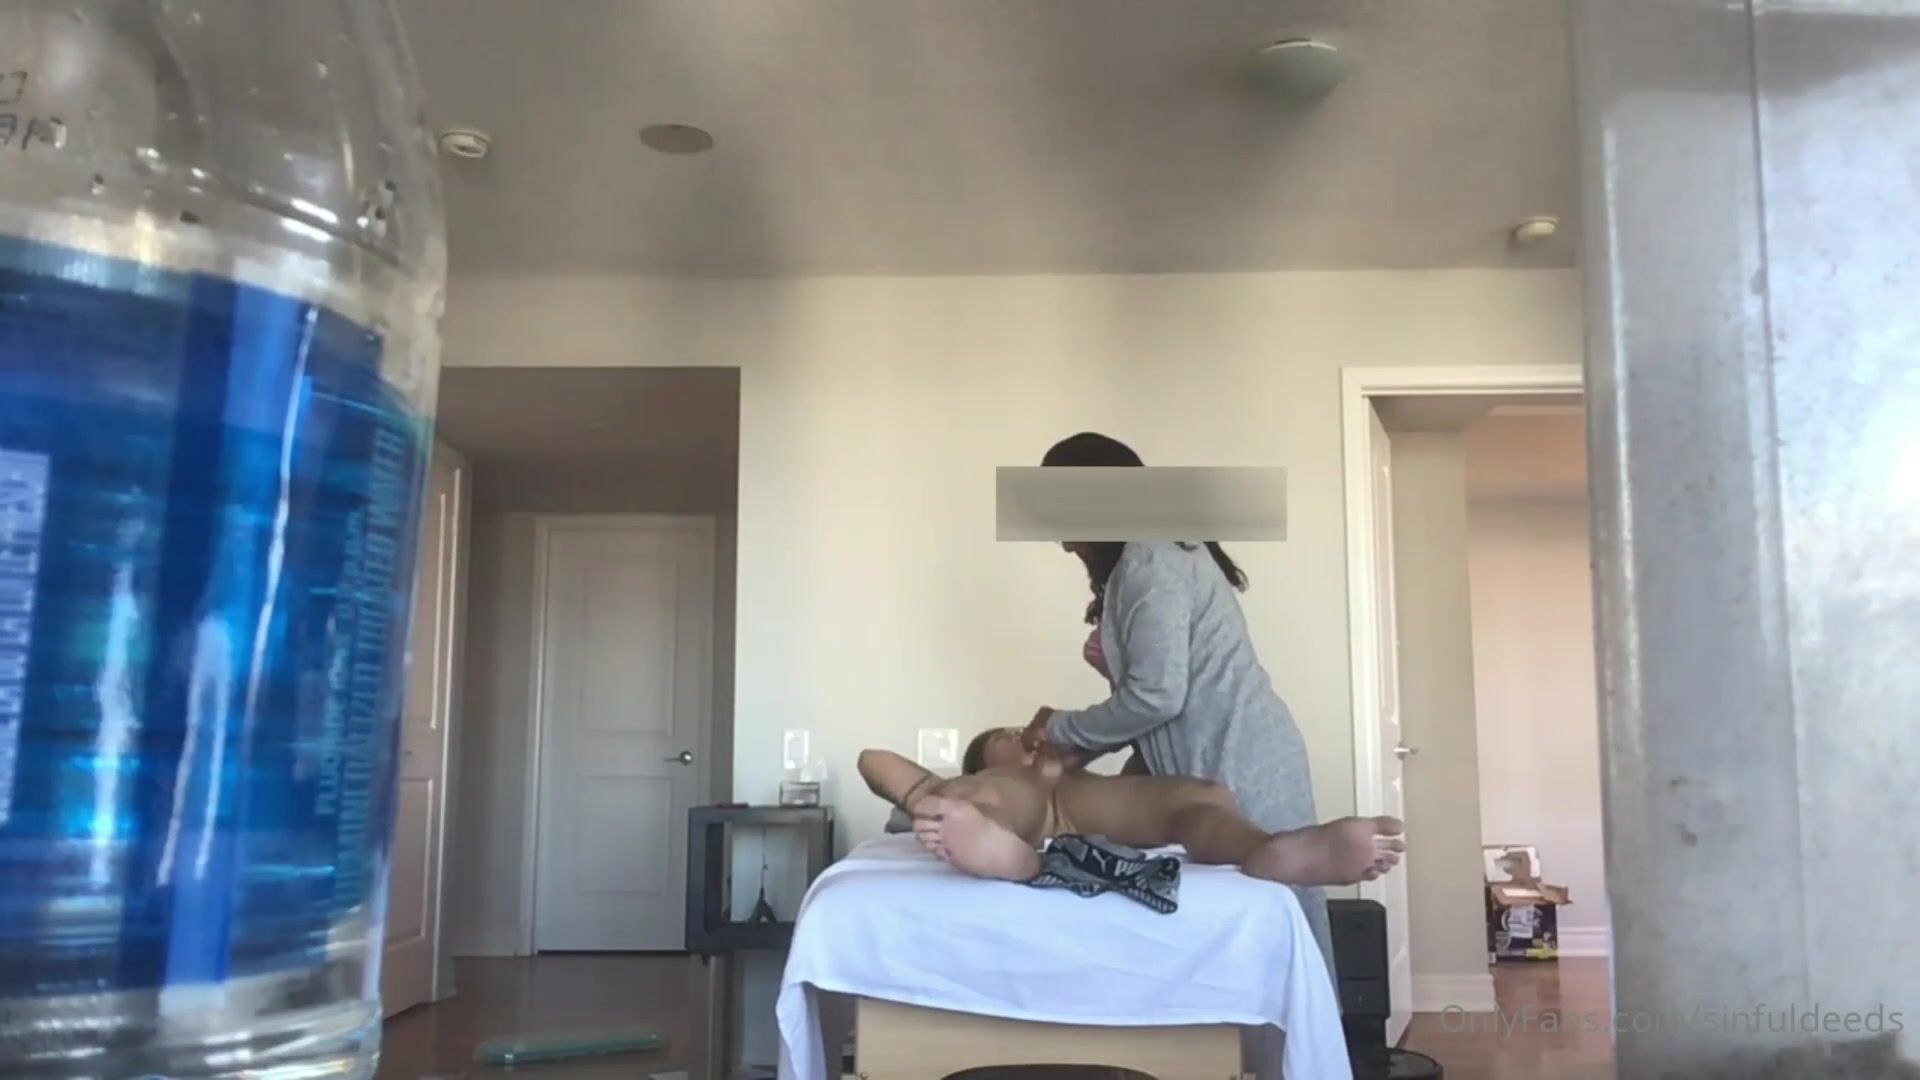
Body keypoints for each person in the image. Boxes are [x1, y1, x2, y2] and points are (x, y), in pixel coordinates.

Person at [1022, 432, 1339, 968]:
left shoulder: (1154, 563)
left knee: (1277, 917)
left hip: (1240, 755)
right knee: (1239, 929)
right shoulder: (1142, 564)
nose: (1062, 541)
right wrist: (1078, 754)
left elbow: (1157, 698)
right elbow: (1153, 703)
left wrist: (1060, 728)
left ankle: (1303, 1026)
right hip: (1204, 758)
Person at [856, 729, 1403, 888]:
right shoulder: (986, 781)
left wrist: (1074, 749)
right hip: (1009, 807)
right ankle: (1001, 849)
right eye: (1005, 736)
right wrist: (927, 798)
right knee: (985, 804)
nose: (1023, 737)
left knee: (1196, 799)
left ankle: (1268, 849)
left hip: (1087, 808)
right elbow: (871, 759)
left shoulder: (1072, 776)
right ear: (980, 760)